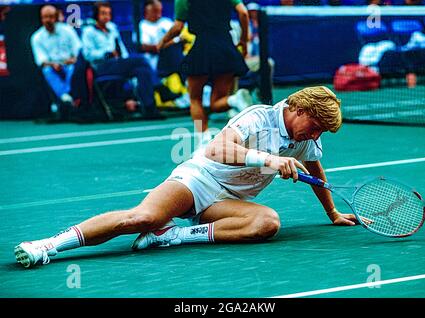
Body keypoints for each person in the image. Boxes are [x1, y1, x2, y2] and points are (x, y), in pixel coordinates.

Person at [14, 86, 364, 269]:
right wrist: (270, 159)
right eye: (315, 126)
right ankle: (47, 246)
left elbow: (316, 166)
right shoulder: (259, 118)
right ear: (299, 110)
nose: (315, 136)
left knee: (267, 223)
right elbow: (217, 149)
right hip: (198, 180)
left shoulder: (305, 139)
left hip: (228, 203)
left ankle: (172, 236)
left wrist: (331, 213)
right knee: (143, 218)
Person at [157, 0, 253, 147]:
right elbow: (243, 13)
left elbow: (178, 27)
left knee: (195, 99)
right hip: (225, 45)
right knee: (216, 103)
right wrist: (244, 40)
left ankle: (204, 140)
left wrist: (162, 42)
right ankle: (234, 99)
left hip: (202, 46)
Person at [81, 1, 164, 120]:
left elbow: (122, 49)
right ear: (95, 15)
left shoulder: (112, 28)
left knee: (142, 70)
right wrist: (107, 53)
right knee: (141, 60)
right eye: (103, 13)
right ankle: (160, 87)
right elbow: (88, 55)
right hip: (101, 67)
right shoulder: (88, 32)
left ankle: (149, 108)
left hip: (118, 64)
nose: (107, 17)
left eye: (108, 14)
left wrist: (124, 59)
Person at [30, 5, 82, 119]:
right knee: (47, 70)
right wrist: (53, 64)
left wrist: (72, 60)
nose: (48, 20)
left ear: (56, 17)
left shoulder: (68, 30)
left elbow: (78, 50)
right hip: (52, 66)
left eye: (50, 17)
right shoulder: (37, 37)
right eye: (45, 17)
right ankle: (66, 97)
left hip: (70, 64)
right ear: (41, 18)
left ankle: (68, 95)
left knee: (74, 68)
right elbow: (41, 61)